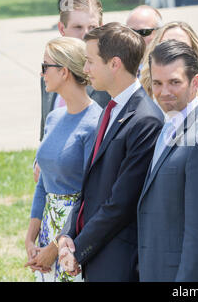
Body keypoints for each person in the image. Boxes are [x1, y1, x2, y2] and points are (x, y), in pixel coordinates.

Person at [56, 22, 164, 282]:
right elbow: (91, 184)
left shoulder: (145, 120)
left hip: (119, 259)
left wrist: (79, 248)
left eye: (91, 61)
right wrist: (68, 234)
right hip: (97, 252)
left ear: (114, 64)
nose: (85, 70)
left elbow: (121, 202)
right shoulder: (110, 109)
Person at [137, 40, 198, 281]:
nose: (164, 92)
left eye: (174, 82)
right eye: (158, 83)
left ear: (195, 82)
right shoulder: (168, 124)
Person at [24, 37, 102, 282]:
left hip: (75, 238)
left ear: (64, 71)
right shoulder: (54, 118)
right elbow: (43, 185)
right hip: (48, 232)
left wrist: (56, 248)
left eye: (46, 66)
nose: (41, 73)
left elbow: (92, 196)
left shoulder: (95, 123)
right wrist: (31, 238)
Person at [35, 0, 111, 183]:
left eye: (93, 27)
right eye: (78, 27)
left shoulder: (109, 79)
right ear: (62, 28)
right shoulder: (49, 72)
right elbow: (46, 129)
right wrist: (39, 161)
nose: (86, 34)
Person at [141, 21, 198, 128]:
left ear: (194, 55)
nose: (173, 52)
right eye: (165, 45)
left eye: (181, 46)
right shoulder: (149, 100)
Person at [125, 5, 163, 79]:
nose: (136, 37)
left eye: (144, 32)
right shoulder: (116, 67)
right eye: (131, 31)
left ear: (159, 33)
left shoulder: (168, 69)